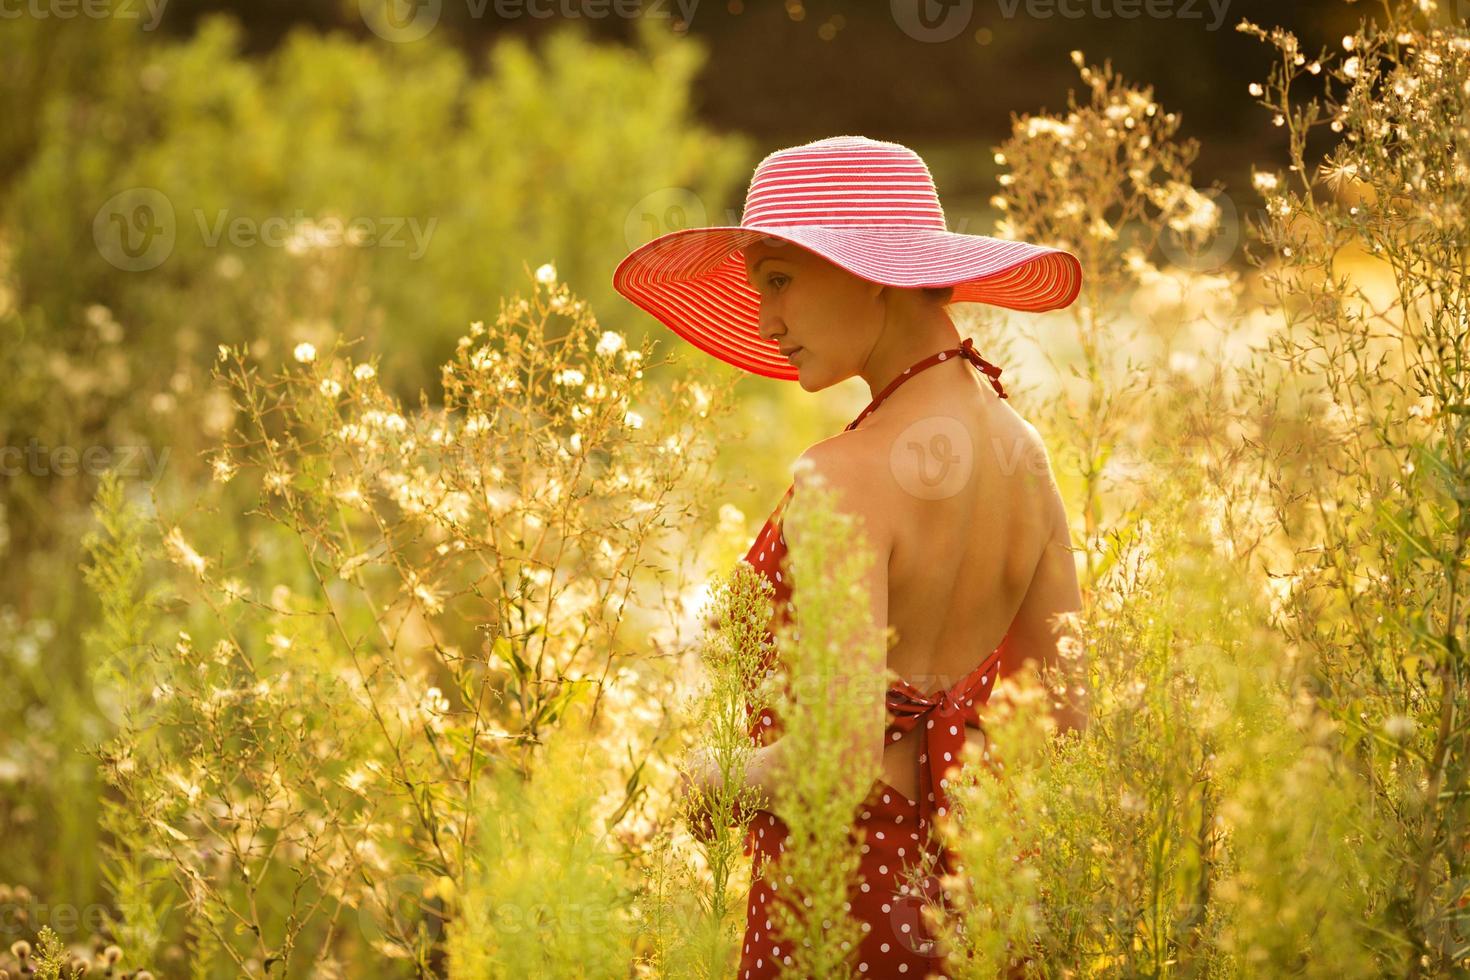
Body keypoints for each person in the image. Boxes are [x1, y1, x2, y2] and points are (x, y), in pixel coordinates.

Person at [613, 135, 1087, 978]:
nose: (766, 322)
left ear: (872, 268)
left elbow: (835, 759)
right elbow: (1066, 721)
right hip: (986, 897)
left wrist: (709, 777)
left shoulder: (844, 474)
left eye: (780, 280)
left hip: (844, 903)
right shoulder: (1026, 453)